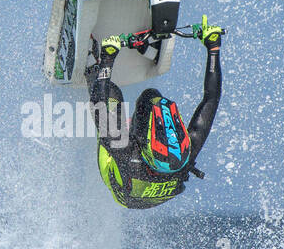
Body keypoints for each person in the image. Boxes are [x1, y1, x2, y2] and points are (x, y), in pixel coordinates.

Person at [85, 17, 222, 208]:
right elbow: (212, 98)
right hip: (154, 176)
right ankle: (147, 48)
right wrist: (213, 49)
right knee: (153, 99)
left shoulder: (124, 151)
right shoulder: (188, 153)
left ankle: (90, 65)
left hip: (122, 187)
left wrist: (108, 59)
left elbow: (97, 104)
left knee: (111, 96)